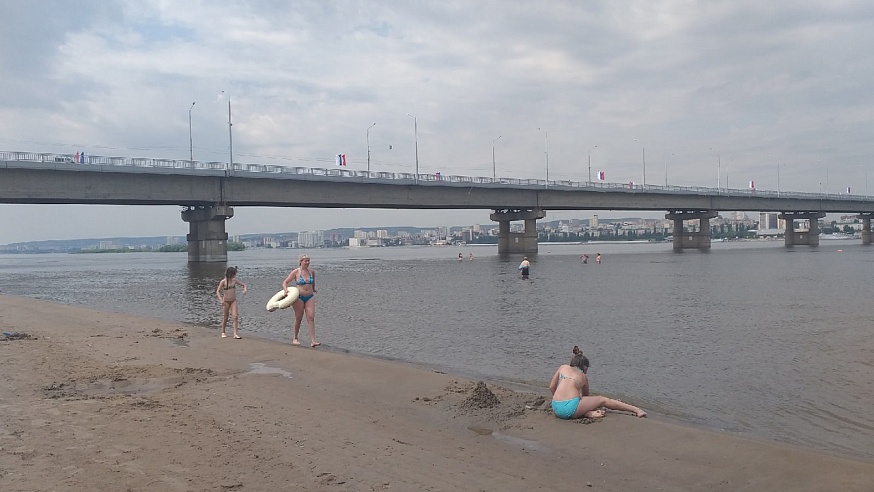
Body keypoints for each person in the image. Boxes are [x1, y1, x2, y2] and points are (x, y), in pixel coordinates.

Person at [548, 346, 646, 420]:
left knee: (581, 400)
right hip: (568, 410)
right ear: (585, 367)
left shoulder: (563, 367)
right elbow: (586, 396)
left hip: (556, 407)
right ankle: (636, 410)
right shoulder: (583, 376)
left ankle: (587, 413)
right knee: (602, 400)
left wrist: (559, 398)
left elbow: (552, 387)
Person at [283, 254, 319, 347]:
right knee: (299, 317)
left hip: (310, 296)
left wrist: (314, 289)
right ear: (300, 262)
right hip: (299, 297)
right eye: (305, 261)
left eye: (308, 261)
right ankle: (295, 337)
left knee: (311, 317)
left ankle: (313, 341)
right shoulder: (296, 272)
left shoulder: (312, 272)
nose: (307, 262)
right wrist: (286, 290)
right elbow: (285, 282)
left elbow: (313, 282)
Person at [215, 266, 247, 339]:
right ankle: (223, 332)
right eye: (234, 274)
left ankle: (235, 333)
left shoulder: (234, 281)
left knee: (235, 316)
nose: (235, 275)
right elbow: (217, 291)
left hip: (233, 300)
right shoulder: (223, 281)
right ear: (230, 274)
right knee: (225, 317)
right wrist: (220, 299)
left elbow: (244, 285)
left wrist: (245, 290)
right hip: (226, 301)